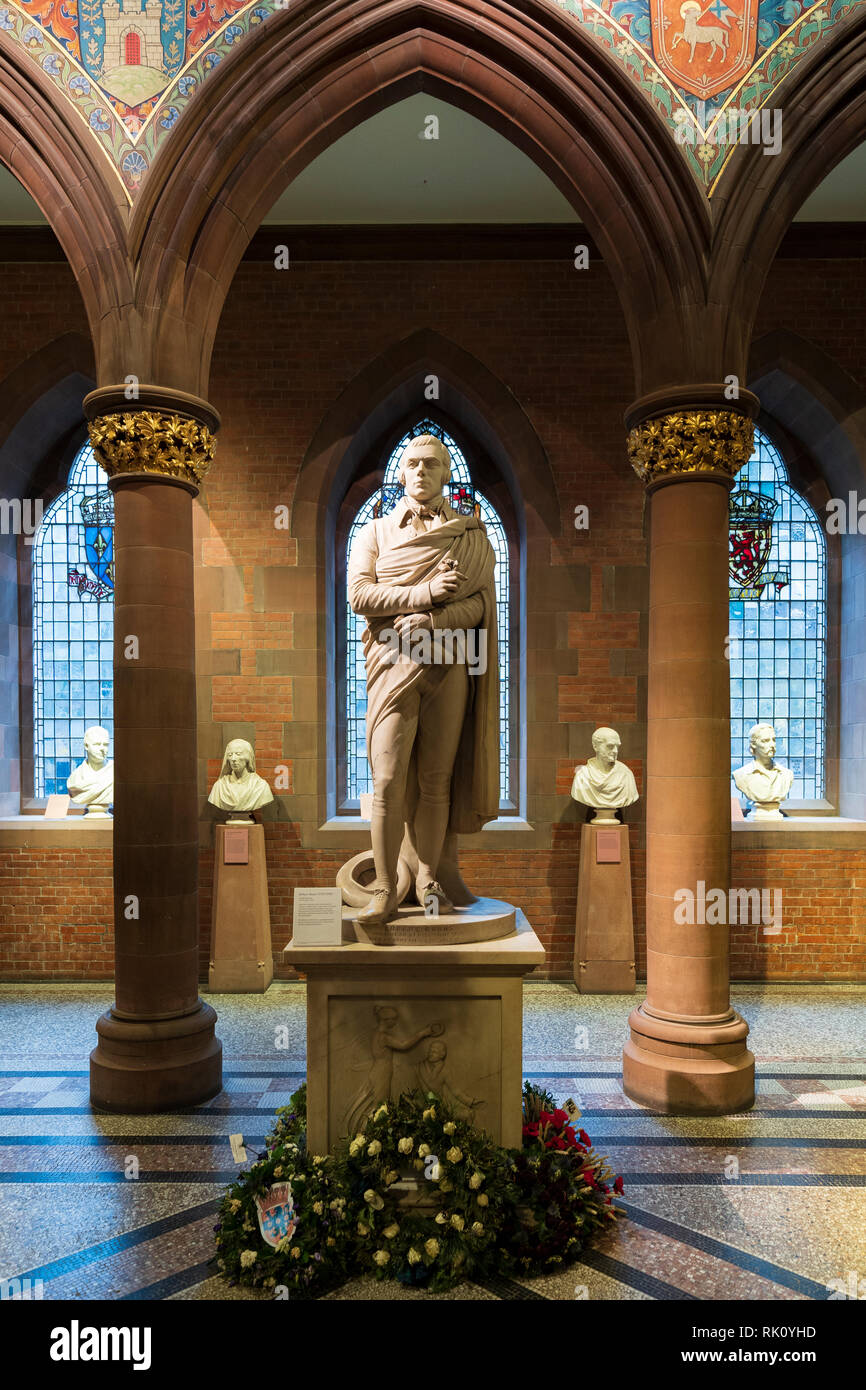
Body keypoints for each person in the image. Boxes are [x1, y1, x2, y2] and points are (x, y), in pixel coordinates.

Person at [347, 434, 498, 925]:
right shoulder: (374, 534)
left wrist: (434, 620)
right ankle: (386, 889)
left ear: (447, 474)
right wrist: (425, 593)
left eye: (431, 464)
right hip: (391, 666)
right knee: (388, 779)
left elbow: (479, 606)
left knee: (437, 781)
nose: (420, 472)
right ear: (400, 472)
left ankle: (430, 878)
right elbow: (360, 597)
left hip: (449, 663)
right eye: (411, 464)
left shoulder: (470, 537)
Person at [570, 726, 638, 823]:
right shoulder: (582, 776)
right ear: (595, 746)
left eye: (617, 746)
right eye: (610, 746)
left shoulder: (626, 774)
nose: (615, 751)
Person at [733, 723, 793, 818]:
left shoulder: (787, 774)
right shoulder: (741, 775)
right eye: (765, 741)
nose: (772, 745)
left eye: (773, 740)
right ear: (753, 744)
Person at [207, 738, 274, 814]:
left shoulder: (260, 786)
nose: (233, 759)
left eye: (238, 754)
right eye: (230, 755)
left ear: (248, 757)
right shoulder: (219, 786)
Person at [67, 726, 113, 815]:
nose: (102, 748)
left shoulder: (116, 772)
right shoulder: (75, 779)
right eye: (97, 744)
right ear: (86, 746)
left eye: (106, 744)